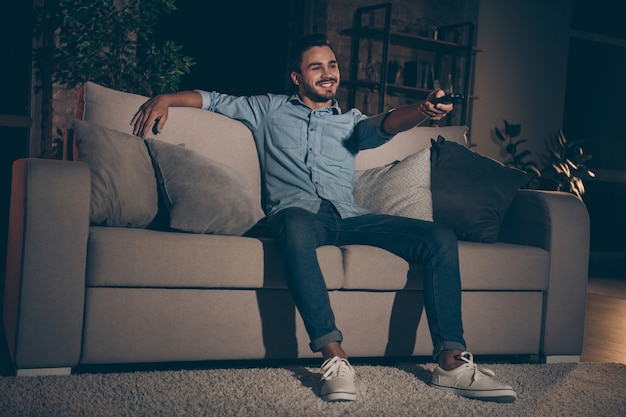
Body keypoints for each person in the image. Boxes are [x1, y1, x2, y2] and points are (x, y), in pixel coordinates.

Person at [131, 33, 517, 404]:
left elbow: (387, 122)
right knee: (296, 223)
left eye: (331, 64)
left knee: (439, 237)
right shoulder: (267, 109)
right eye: (316, 67)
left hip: (349, 218)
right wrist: (165, 97)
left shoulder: (350, 122)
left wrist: (423, 109)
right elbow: (212, 99)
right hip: (297, 216)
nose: (328, 72)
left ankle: (451, 360)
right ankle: (335, 357)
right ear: (298, 77)